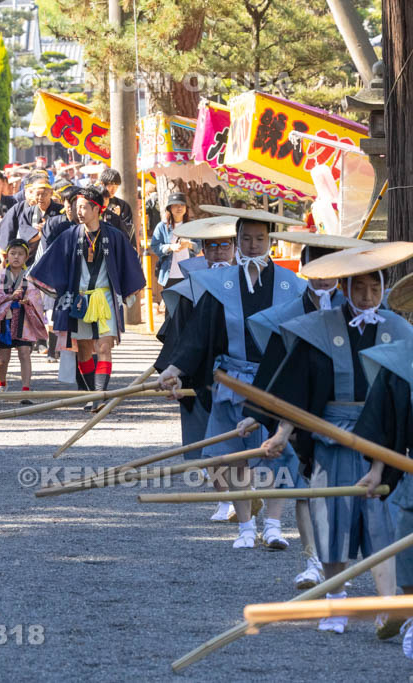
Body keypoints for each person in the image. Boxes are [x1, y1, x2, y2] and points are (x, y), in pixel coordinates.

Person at [253, 242, 413, 633]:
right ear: (344, 287)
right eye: (358, 288)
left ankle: (388, 606)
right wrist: (282, 432)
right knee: (332, 521)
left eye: (374, 289)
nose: (367, 297)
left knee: (383, 525)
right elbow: (297, 389)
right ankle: (336, 602)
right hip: (332, 438)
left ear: (384, 288)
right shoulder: (322, 329)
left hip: (383, 443)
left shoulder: (400, 329)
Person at [158, 206, 307, 548]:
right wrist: (174, 369)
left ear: (271, 241)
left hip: (275, 383)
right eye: (246, 238)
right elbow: (198, 336)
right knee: (234, 457)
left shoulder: (290, 284)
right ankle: (244, 528)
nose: (253, 245)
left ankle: (272, 525)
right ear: (237, 241)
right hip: (232, 380)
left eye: (260, 238)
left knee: (276, 455)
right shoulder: (221, 284)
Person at [152, 216, 238, 521]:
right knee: (206, 437)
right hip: (198, 370)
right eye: (211, 246)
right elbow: (179, 331)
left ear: (234, 247)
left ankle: (248, 498)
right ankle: (223, 499)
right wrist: (173, 369)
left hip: (240, 370)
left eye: (224, 245)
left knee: (241, 435)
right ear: (202, 249)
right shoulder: (191, 282)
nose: (217, 252)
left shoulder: (248, 280)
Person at [30, 186, 146, 411]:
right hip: (79, 300)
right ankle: (93, 393)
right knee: (83, 349)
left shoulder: (114, 236)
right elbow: (50, 260)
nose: (78, 211)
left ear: (97, 209)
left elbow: (129, 262)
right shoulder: (70, 236)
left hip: (105, 298)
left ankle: (100, 397)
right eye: (77, 207)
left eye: (84, 207)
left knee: (103, 346)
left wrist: (130, 291)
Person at [352, 271, 413, 654]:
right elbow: (382, 422)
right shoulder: (400, 364)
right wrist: (376, 471)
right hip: (411, 474)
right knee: (408, 554)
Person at [0, 239, 47, 400]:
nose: (16, 257)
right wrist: (9, 297)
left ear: (26, 257)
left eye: (20, 254)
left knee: (25, 353)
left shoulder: (30, 277)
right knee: (3, 357)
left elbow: (37, 299)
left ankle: (26, 389)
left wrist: (28, 302)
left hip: (24, 319)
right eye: (13, 253)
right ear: (7, 256)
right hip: (4, 320)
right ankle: (1, 383)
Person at [0, 175, 64, 263]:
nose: (40, 198)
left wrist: (48, 229)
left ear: (51, 193)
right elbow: (23, 235)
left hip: (54, 258)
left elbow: (65, 234)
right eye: (37, 194)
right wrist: (39, 234)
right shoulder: (27, 212)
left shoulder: (61, 210)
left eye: (44, 194)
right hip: (30, 259)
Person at [150, 193, 198, 292]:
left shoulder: (192, 225)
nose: (179, 208)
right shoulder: (162, 226)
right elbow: (155, 246)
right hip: (169, 275)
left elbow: (199, 245)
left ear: (186, 208)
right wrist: (170, 247)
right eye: (175, 205)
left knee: (188, 306)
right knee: (171, 306)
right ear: (170, 208)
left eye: (182, 205)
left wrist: (189, 245)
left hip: (188, 274)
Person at [100, 168, 135, 247]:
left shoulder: (123, 206)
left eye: (116, 186)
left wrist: (117, 219)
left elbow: (129, 232)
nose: (114, 190)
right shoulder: (94, 203)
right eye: (110, 185)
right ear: (102, 184)